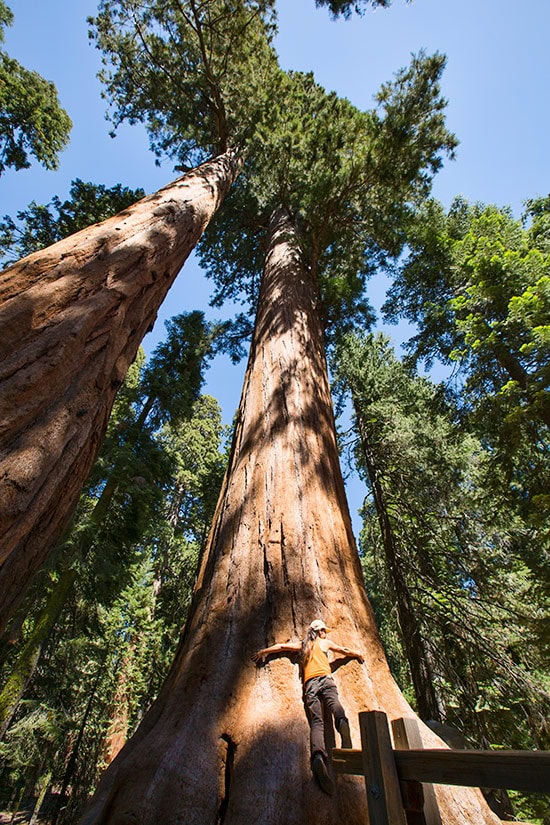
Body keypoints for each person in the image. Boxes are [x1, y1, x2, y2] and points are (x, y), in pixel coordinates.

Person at [253, 619, 364, 795]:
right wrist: (357, 654)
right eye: (324, 631)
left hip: (310, 684)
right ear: (319, 632)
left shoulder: (303, 645)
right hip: (326, 680)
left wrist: (264, 651)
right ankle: (342, 722)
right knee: (335, 703)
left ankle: (318, 756)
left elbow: (282, 647)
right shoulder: (324, 643)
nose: (325, 633)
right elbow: (344, 651)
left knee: (317, 723)